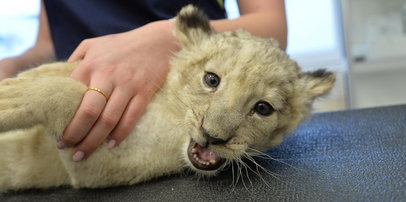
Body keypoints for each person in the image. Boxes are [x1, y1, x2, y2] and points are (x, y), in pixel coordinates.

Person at [0, 0, 287, 162]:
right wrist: (13, 64)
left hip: (185, 117)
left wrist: (169, 39)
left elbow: (272, 30)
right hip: (71, 118)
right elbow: (49, 43)